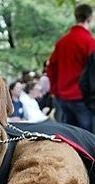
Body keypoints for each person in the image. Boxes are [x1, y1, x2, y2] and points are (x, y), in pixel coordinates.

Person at [47, 3, 95, 131]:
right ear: (90, 18)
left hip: (63, 98)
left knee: (71, 138)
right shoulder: (90, 42)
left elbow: (51, 68)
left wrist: (55, 91)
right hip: (83, 99)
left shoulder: (62, 42)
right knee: (88, 139)